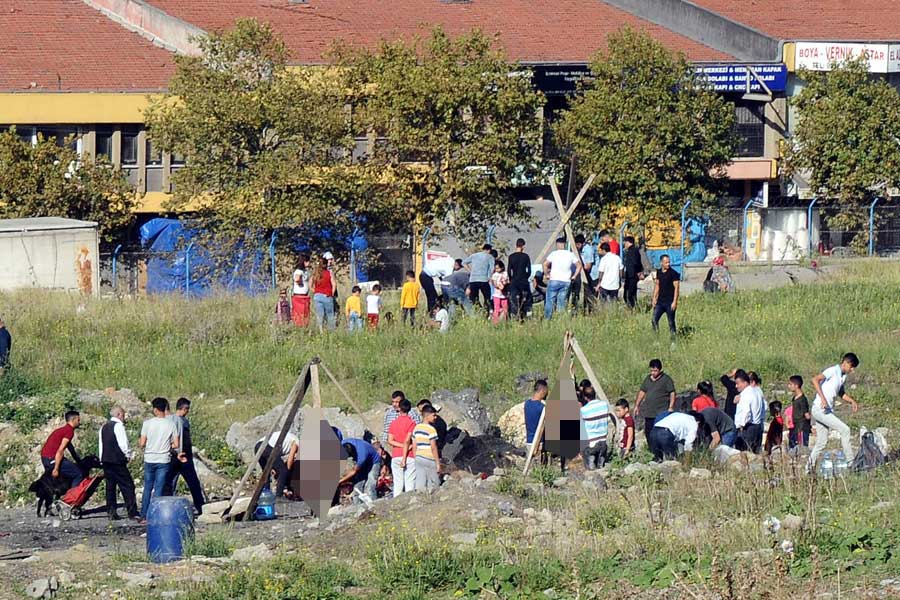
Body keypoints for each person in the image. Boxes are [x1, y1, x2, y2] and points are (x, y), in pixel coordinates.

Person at [808, 353, 860, 471]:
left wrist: (852, 401)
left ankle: (809, 467)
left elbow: (841, 393)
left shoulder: (843, 376)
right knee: (845, 430)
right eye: (851, 367)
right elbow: (815, 380)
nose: (852, 370)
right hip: (820, 409)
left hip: (826, 410)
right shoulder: (832, 371)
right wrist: (823, 398)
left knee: (822, 441)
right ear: (846, 363)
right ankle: (851, 462)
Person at [139, 397, 179, 521]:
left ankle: (144, 515)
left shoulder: (147, 423)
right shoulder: (171, 424)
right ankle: (155, 514)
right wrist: (168, 445)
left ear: (155, 410)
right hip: (163, 459)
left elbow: (142, 443)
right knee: (159, 488)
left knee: (147, 487)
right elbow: (176, 444)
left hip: (150, 458)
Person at [163, 398, 204, 515]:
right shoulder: (182, 421)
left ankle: (168, 506)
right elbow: (184, 440)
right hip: (184, 456)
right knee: (193, 483)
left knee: (169, 482)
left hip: (173, 456)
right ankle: (200, 506)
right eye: (187, 409)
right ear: (184, 408)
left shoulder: (168, 420)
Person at [99, 406, 138, 521]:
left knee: (110, 487)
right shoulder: (119, 426)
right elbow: (123, 444)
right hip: (117, 460)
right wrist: (129, 455)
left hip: (106, 460)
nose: (124, 418)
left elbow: (101, 445)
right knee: (127, 485)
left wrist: (102, 459)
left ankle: (111, 512)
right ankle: (132, 512)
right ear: (119, 414)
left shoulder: (104, 427)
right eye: (123, 415)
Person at [634, 359, 676, 447]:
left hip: (661, 412)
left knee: (659, 434)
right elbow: (642, 391)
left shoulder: (666, 379)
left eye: (655, 371)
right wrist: (637, 405)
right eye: (651, 370)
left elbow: (672, 393)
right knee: (648, 433)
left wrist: (671, 407)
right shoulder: (647, 379)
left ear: (660, 370)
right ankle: (652, 451)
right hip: (649, 413)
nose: (653, 373)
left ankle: (661, 452)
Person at [40, 410, 83, 487]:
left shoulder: (63, 430)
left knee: (56, 480)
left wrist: (78, 460)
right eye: (78, 420)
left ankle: (56, 496)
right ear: (73, 420)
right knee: (78, 474)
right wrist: (56, 468)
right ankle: (72, 496)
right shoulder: (69, 431)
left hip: (45, 458)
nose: (79, 422)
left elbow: (70, 447)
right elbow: (60, 450)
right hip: (52, 458)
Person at [543, 237, 581, 319]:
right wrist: (574, 276)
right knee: (562, 302)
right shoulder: (570, 254)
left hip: (554, 279)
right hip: (566, 281)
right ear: (565, 244)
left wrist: (546, 274)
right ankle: (561, 320)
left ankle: (547, 319)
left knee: (550, 301)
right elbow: (579, 265)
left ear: (557, 244)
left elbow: (545, 264)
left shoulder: (554, 254)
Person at [255, 429, 299, 499]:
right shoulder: (297, 442)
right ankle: (279, 496)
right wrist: (287, 474)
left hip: (258, 446)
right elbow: (289, 461)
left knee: (266, 473)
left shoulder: (291, 439)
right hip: (267, 446)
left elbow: (283, 461)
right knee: (283, 470)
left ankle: (266, 494)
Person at [386, 398, 417, 496]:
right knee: (410, 482)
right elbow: (408, 440)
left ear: (399, 408)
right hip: (409, 455)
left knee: (398, 483)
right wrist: (406, 447)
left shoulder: (393, 423)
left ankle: (396, 504)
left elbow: (390, 440)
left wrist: (401, 446)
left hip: (396, 455)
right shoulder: (412, 423)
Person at [734, 370, 766, 453]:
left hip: (748, 428)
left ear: (745, 382)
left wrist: (741, 425)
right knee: (755, 452)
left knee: (745, 453)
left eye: (738, 383)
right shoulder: (757, 391)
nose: (736, 386)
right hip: (757, 425)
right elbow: (764, 407)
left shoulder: (746, 394)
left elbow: (746, 412)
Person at [413, 405, 442, 492]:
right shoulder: (431, 429)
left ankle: (420, 497)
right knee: (433, 482)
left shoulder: (416, 428)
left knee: (420, 480)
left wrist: (416, 457)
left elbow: (414, 445)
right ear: (427, 415)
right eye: (434, 415)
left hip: (419, 457)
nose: (435, 417)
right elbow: (433, 447)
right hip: (429, 458)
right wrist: (438, 463)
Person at [579, 387, 610, 470]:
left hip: (591, 445)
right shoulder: (604, 405)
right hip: (603, 442)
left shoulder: (583, 410)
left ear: (585, 397)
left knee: (591, 472)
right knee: (602, 469)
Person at [651, 255, 680, 339]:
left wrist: (674, 302)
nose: (668, 264)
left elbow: (676, 288)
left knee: (671, 322)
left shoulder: (673, 273)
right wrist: (654, 298)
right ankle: (656, 340)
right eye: (666, 262)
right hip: (660, 302)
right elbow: (657, 286)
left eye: (669, 262)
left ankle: (673, 341)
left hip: (669, 302)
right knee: (654, 320)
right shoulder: (659, 272)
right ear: (661, 263)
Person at [462, 244, 494, 314]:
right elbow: (492, 269)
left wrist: (470, 271)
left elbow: (463, 263)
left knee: (473, 298)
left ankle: (478, 310)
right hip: (484, 280)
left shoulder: (474, 255)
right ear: (489, 250)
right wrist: (490, 277)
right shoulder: (489, 257)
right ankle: (486, 312)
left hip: (473, 279)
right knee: (487, 297)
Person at [507, 239, 532, 320]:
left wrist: (511, 279)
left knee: (514, 300)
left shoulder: (511, 256)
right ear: (523, 246)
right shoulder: (526, 256)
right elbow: (529, 270)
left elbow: (509, 270)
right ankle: (525, 316)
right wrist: (526, 277)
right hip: (524, 281)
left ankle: (515, 317)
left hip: (514, 281)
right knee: (526, 299)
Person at [310, 257, 336, 332]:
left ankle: (321, 331)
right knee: (330, 315)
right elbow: (334, 284)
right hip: (327, 295)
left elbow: (310, 285)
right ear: (326, 264)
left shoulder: (315, 273)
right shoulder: (329, 273)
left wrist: (315, 292)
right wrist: (332, 294)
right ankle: (331, 331)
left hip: (317, 296)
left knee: (320, 315)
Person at [571, 234, 595, 310]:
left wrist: (579, 268)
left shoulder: (588, 250)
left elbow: (588, 266)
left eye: (578, 245)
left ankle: (591, 310)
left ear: (581, 243)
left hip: (590, 275)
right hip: (583, 273)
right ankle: (582, 309)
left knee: (589, 293)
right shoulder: (579, 250)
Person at [524, 380, 548, 455]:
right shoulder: (542, 408)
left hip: (529, 441)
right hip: (538, 443)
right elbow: (542, 428)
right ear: (542, 390)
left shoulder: (527, 404)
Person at [788, 375, 811, 449]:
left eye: (791, 384)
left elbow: (807, 415)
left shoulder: (802, 400)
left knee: (801, 448)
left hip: (802, 427)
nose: (789, 386)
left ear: (796, 385)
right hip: (796, 426)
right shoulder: (795, 398)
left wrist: (810, 427)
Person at [621, 236, 643, 309]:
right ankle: (632, 307)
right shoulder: (632, 251)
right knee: (629, 293)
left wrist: (637, 272)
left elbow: (636, 263)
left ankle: (632, 308)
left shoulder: (633, 251)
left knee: (630, 294)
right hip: (630, 275)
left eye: (625, 243)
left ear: (628, 242)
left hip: (632, 275)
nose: (625, 245)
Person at [291, 254, 311, 327]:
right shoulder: (298, 271)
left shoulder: (305, 271)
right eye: (307, 261)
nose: (309, 263)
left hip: (305, 296)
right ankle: (299, 327)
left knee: (305, 314)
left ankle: (305, 327)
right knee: (299, 316)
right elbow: (296, 279)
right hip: (299, 296)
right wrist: (300, 281)